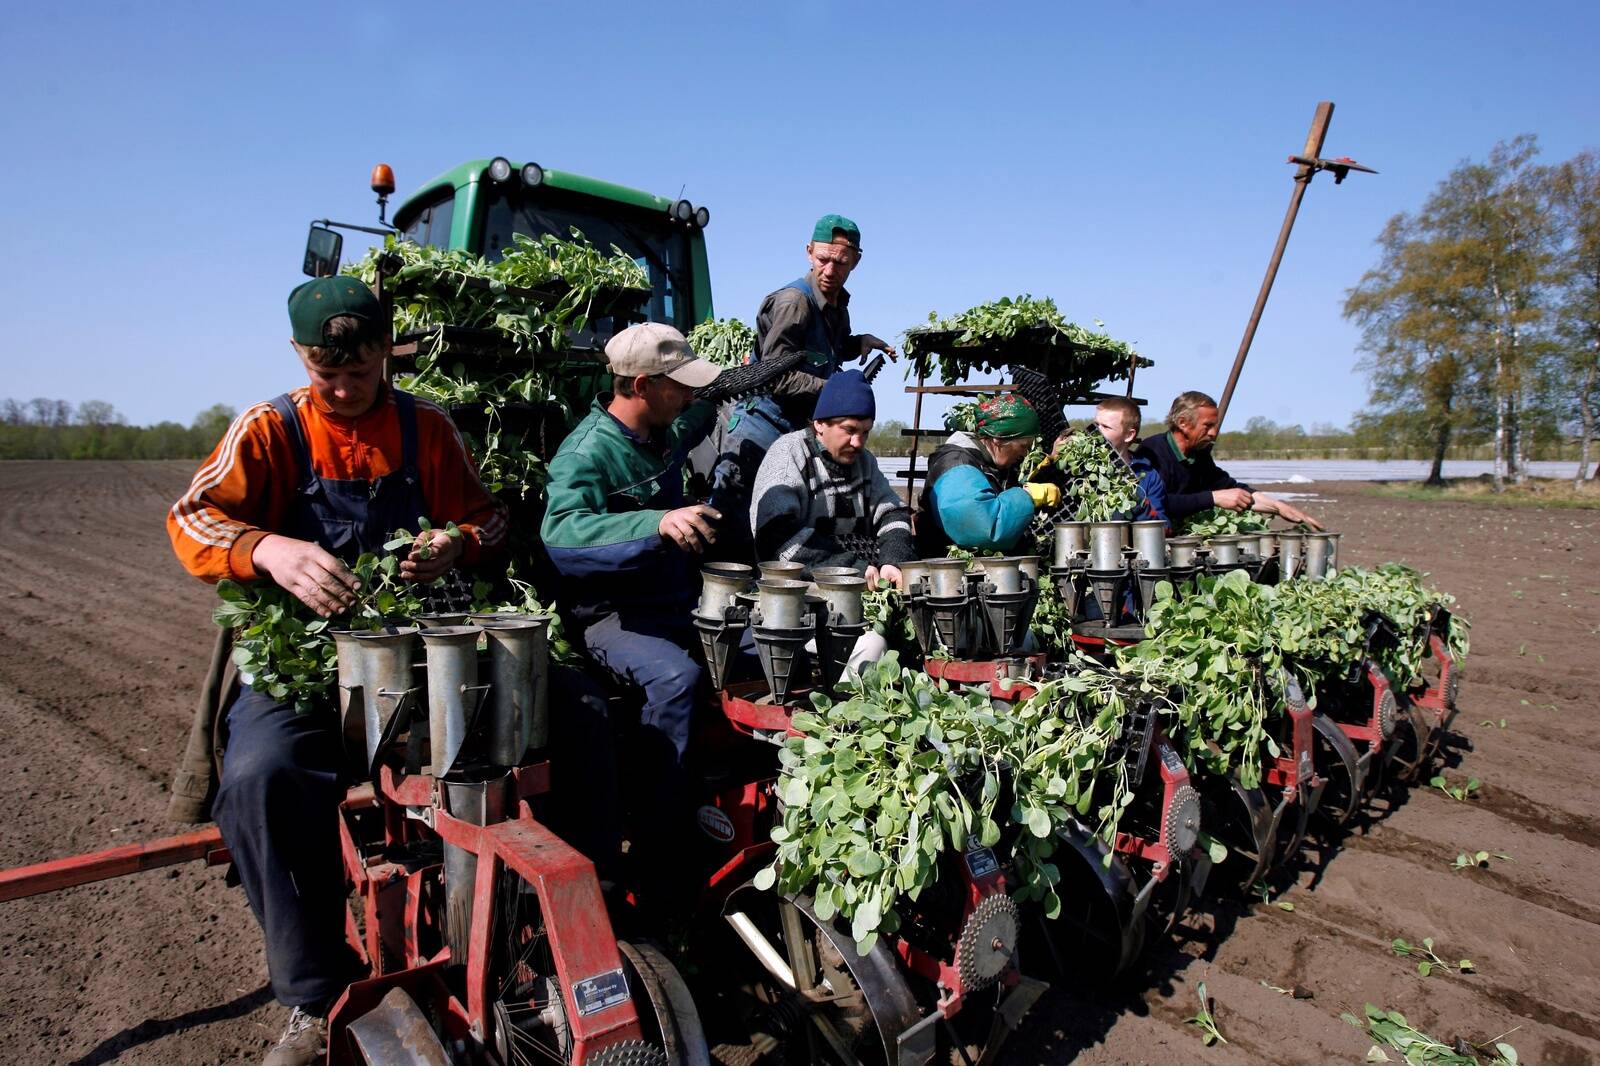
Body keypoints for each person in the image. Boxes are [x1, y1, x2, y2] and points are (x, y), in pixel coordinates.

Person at [166, 276, 509, 1066]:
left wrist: (459, 542)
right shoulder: (271, 429)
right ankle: (312, 994)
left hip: (415, 654)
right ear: (300, 358)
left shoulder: (427, 427)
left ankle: (506, 947)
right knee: (259, 777)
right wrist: (268, 549)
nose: (349, 390)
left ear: (388, 350)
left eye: (364, 372)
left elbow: (489, 519)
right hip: (307, 663)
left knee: (525, 741)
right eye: (331, 377)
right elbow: (192, 516)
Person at [539, 321, 723, 905]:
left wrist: (751, 378)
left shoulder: (668, 424)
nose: (690, 394)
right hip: (610, 617)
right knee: (678, 680)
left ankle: (727, 809)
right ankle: (656, 848)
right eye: (680, 385)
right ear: (641, 385)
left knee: (765, 646)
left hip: (677, 603)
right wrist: (655, 522)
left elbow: (706, 408)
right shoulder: (586, 452)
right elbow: (562, 536)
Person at [710, 214, 897, 559]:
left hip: (797, 424)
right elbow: (775, 374)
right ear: (809, 253)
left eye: (841, 262)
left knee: (792, 519)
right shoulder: (793, 302)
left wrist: (859, 344)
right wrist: (833, 393)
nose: (830, 270)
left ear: (855, 261)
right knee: (735, 525)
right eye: (823, 259)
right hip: (762, 424)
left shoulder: (838, 306)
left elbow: (825, 351)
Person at [1133, 390, 1323, 529]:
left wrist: (1278, 507)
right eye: (1207, 426)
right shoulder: (1153, 451)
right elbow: (1156, 504)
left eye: (1215, 426)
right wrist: (1213, 498)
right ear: (1183, 423)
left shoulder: (1199, 454)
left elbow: (1228, 487)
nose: (1214, 433)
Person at [915, 393, 1062, 556]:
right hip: (952, 575)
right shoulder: (957, 465)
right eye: (1023, 445)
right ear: (999, 439)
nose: (1026, 453)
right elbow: (986, 529)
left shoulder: (990, 460)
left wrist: (1051, 461)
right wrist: (1027, 496)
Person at [1090, 396, 1169, 529]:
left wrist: (1137, 501)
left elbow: (1164, 528)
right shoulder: (1083, 465)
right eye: (1096, 424)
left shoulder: (1148, 475)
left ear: (1129, 435)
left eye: (1106, 427)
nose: (1097, 431)